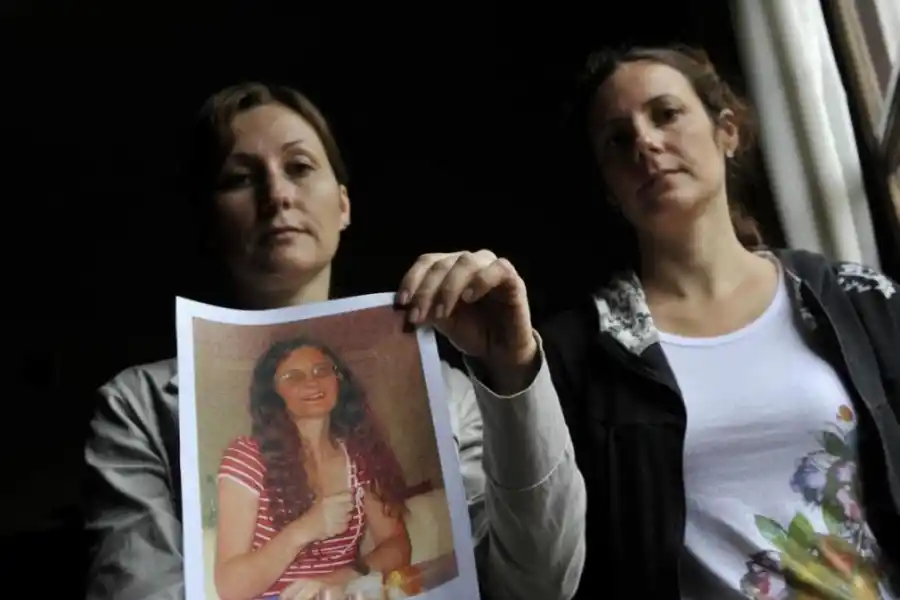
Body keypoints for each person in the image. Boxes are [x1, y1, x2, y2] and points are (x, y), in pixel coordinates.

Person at [83, 82, 586, 600]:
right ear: (210, 219)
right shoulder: (137, 406)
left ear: (343, 205)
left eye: (299, 168)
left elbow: (540, 583)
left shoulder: (446, 393)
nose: (277, 194)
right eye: (239, 178)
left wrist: (513, 366)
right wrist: (307, 533)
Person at [540, 44, 900, 599]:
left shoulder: (854, 299)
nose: (646, 142)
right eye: (617, 139)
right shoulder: (575, 354)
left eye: (666, 113)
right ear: (608, 186)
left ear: (726, 132)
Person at [216, 337, 411, 599]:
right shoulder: (247, 457)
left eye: (322, 370)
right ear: (272, 393)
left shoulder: (359, 455)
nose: (312, 382)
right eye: (293, 376)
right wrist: (305, 528)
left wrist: (345, 576)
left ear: (338, 380)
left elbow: (397, 545)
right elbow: (230, 588)